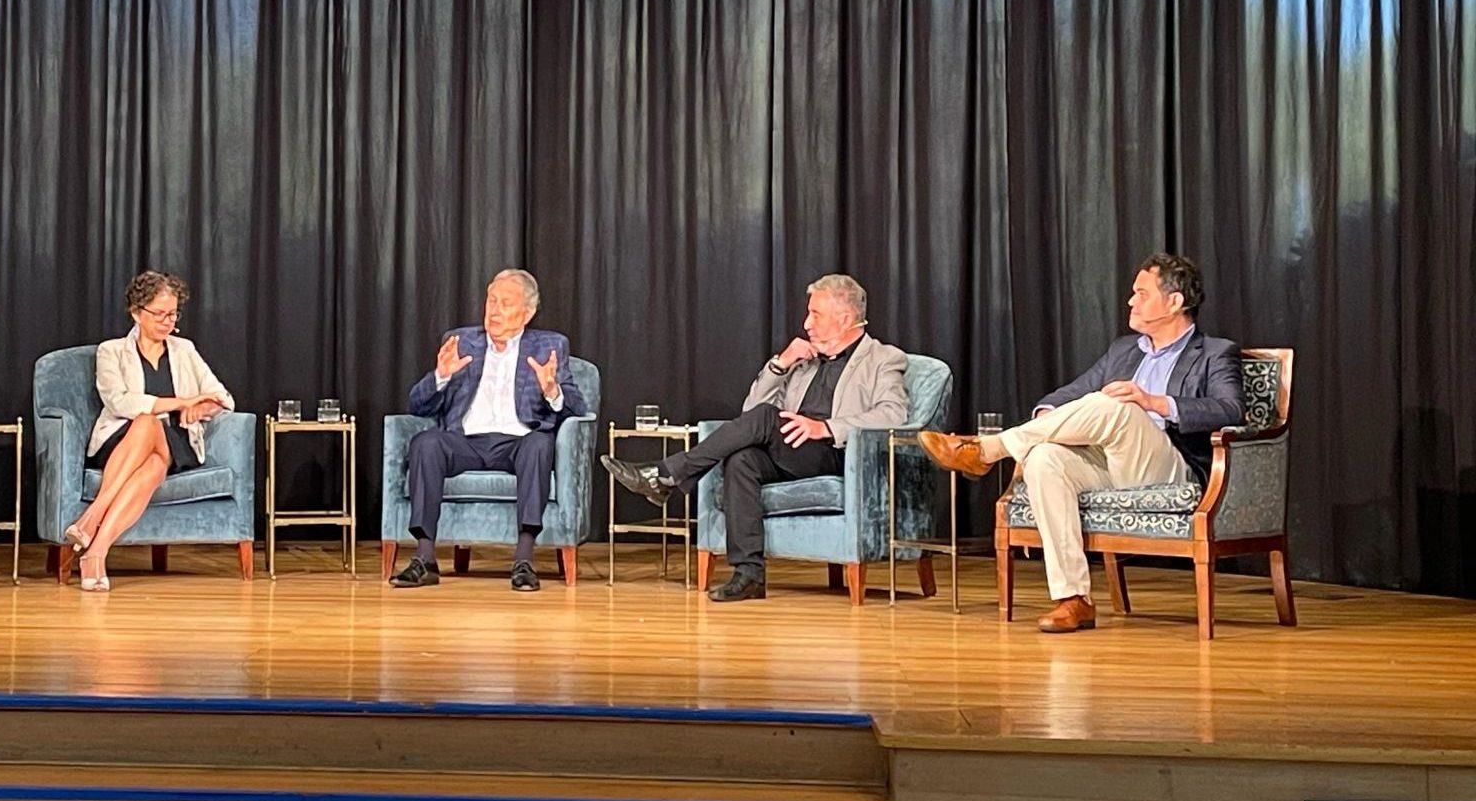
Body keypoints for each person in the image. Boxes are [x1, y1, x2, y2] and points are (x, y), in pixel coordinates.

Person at [920, 252, 1242, 633]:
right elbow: (1072, 393)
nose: (1131, 301)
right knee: (1043, 457)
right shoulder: (1124, 350)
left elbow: (1231, 409)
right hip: (1109, 463)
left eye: (1141, 293)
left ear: (1175, 302)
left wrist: (1154, 402)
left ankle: (988, 450)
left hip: (1171, 466)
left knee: (1116, 404)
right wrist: (1048, 419)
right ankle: (1073, 599)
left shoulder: (1215, 353)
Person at [604, 274, 908, 603]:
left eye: (815, 315)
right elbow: (749, 412)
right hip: (790, 450)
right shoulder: (805, 361)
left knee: (764, 419)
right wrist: (781, 364)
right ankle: (749, 574)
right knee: (741, 459)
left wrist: (827, 427)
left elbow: (893, 415)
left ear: (845, 318)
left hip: (836, 454)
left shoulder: (883, 358)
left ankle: (666, 474)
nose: (806, 324)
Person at [389, 268, 587, 593]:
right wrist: (441, 376)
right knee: (426, 442)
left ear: (527, 313)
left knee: (540, 444)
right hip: (464, 442)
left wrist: (552, 390)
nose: (494, 310)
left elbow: (579, 408)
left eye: (505, 303)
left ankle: (524, 560)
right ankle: (425, 559)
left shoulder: (549, 346)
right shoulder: (462, 342)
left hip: (517, 443)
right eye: (491, 300)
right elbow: (417, 405)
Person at [64, 271, 234, 592]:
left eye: (173, 314)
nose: (168, 322)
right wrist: (181, 401)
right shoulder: (112, 351)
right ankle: (96, 554)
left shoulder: (184, 350)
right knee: (151, 453)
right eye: (159, 314)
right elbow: (119, 401)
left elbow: (222, 397)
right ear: (136, 312)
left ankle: (92, 517)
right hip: (121, 439)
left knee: (150, 423)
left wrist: (201, 408)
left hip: (177, 442)